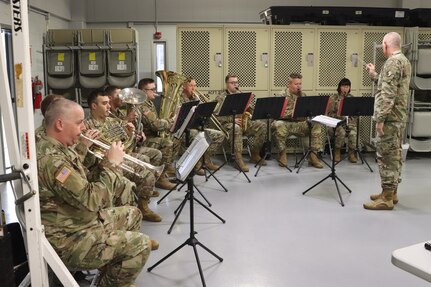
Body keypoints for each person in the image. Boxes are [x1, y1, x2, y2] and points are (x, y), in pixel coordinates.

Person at [37, 98, 156, 286]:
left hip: (79, 221)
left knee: (133, 214)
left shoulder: (57, 146)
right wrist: (111, 164)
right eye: (79, 123)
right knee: (141, 245)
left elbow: (82, 180)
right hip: (68, 239)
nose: (83, 127)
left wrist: (94, 156)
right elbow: (92, 200)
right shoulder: (53, 162)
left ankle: (113, 276)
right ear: (60, 124)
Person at [85, 89, 165, 222]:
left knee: (146, 163)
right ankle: (140, 207)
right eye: (104, 103)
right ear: (94, 106)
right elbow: (92, 155)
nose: (109, 106)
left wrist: (130, 134)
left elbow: (126, 143)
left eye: (108, 103)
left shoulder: (111, 121)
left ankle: (141, 202)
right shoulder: (88, 126)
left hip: (119, 156)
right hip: (103, 164)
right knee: (147, 174)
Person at [363, 32, 411, 210]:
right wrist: (374, 74)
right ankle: (391, 192)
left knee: (386, 157)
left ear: (385, 44)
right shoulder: (403, 60)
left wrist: (380, 119)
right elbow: (389, 85)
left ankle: (387, 198)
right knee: (395, 154)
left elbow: (388, 95)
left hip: (390, 119)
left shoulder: (392, 62)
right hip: (398, 117)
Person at [214, 74, 267, 172]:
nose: (235, 85)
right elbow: (216, 117)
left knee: (262, 125)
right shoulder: (220, 98)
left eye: (236, 82)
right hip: (228, 125)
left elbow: (252, 111)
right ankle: (238, 160)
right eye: (232, 83)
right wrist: (232, 120)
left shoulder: (242, 95)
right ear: (227, 84)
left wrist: (250, 110)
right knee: (236, 128)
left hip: (243, 122)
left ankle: (255, 154)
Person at [271, 73, 323, 168]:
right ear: (289, 84)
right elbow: (276, 114)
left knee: (316, 124)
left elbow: (307, 112)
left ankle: (313, 156)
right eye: (296, 84)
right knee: (278, 124)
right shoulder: (281, 95)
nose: (299, 86)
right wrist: (293, 114)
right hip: (286, 124)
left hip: (300, 125)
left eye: (300, 84)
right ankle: (282, 155)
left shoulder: (303, 95)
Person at [180, 77, 225, 173]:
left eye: (194, 85)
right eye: (190, 85)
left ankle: (206, 160)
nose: (193, 88)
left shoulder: (196, 97)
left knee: (220, 135)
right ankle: (196, 164)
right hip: (184, 129)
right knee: (196, 135)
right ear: (184, 86)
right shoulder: (180, 98)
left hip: (197, 126)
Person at [137, 78, 177, 177]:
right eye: (152, 89)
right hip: (145, 138)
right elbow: (156, 125)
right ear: (143, 91)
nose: (155, 91)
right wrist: (172, 120)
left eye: (155, 88)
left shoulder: (149, 102)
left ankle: (167, 167)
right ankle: (161, 176)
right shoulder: (141, 105)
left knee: (176, 138)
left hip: (152, 134)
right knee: (167, 143)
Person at [326, 78, 358, 163]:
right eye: (343, 86)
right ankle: (337, 151)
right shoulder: (334, 98)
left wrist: (352, 117)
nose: (345, 89)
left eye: (347, 87)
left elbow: (355, 114)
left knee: (353, 133)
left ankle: (351, 153)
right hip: (336, 123)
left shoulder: (352, 98)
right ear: (340, 87)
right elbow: (329, 114)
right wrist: (339, 116)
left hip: (348, 122)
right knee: (342, 132)